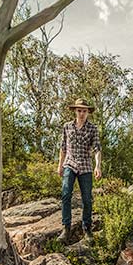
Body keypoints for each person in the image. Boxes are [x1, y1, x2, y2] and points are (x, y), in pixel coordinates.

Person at [57, 98, 101, 242]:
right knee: (65, 194)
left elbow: (97, 149)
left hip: (85, 165)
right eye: (79, 110)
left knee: (87, 199)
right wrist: (60, 165)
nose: (81, 113)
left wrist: (97, 166)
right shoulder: (67, 127)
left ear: (88, 112)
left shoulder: (93, 129)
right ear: (75, 111)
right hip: (69, 163)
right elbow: (63, 147)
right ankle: (66, 228)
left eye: (84, 111)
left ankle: (87, 228)